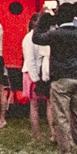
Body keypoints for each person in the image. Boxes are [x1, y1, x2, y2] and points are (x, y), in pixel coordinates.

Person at [32, 0, 77, 154]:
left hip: (61, 79)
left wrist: (43, 19)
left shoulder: (56, 34)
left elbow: (37, 38)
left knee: (62, 119)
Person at [23, 9, 52, 146]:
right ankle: (37, 135)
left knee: (49, 103)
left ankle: (53, 133)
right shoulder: (29, 38)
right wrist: (35, 78)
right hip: (31, 73)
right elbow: (30, 59)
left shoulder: (45, 36)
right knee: (34, 105)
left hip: (44, 73)